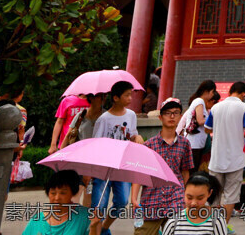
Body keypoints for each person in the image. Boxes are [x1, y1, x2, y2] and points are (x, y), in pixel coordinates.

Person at [132, 99, 194, 235]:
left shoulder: (185, 144)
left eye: (176, 113)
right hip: (152, 200)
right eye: (168, 113)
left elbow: (185, 173)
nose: (172, 116)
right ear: (160, 117)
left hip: (175, 199)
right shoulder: (149, 145)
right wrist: (134, 198)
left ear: (180, 116)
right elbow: (140, 174)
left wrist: (188, 197)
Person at [91, 80, 145, 235]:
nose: (130, 98)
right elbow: (96, 143)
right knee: (99, 205)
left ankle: (104, 228)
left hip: (123, 166)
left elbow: (132, 134)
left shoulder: (131, 115)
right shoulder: (104, 119)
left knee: (122, 202)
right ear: (115, 98)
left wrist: (138, 137)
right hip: (104, 168)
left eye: (130, 95)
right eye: (127, 95)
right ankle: (96, 230)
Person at [203, 81, 245, 229]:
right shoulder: (244, 107)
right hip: (236, 159)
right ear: (243, 94)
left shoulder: (216, 107)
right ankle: (223, 226)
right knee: (231, 195)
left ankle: (213, 225)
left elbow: (207, 129)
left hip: (216, 159)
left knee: (214, 195)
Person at [23, 169, 90, 235]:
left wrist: (94, 227)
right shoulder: (37, 220)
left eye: (63, 193)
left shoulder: (85, 217)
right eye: (53, 193)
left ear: (73, 193)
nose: (57, 198)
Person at [161, 173, 226, 235]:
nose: (194, 203)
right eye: (189, 198)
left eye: (200, 198)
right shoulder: (174, 221)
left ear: (209, 193)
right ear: (184, 192)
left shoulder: (216, 219)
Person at [179, 82, 215, 171]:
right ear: (207, 92)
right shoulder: (200, 101)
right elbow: (200, 120)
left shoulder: (199, 101)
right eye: (212, 92)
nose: (212, 95)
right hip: (194, 143)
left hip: (197, 143)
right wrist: (215, 121)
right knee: (192, 170)